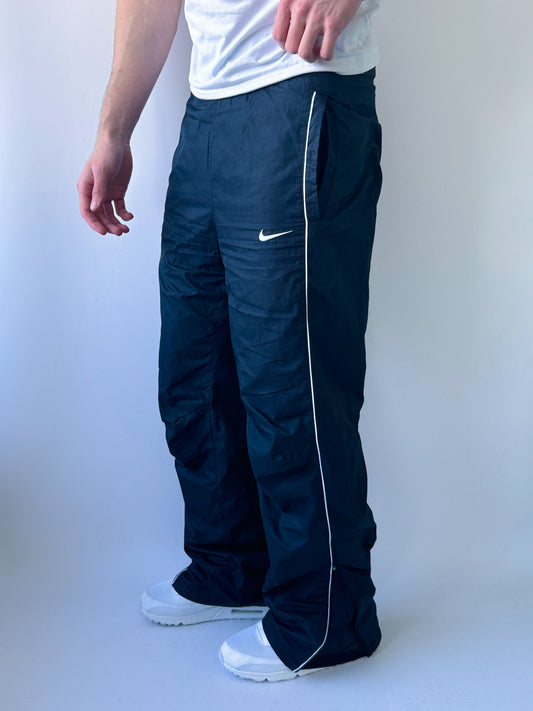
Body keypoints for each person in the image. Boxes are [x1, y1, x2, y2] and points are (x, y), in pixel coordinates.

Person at [77, 0, 383, 682]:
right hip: (209, 107)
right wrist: (113, 131)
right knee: (196, 368)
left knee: (291, 378)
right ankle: (232, 564)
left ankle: (327, 612)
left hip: (301, 86)